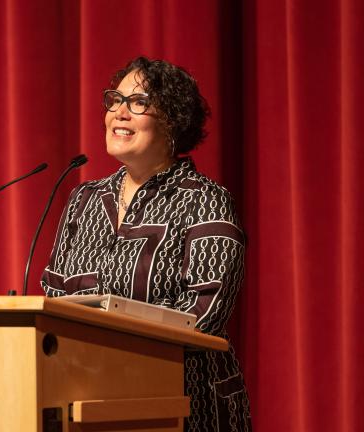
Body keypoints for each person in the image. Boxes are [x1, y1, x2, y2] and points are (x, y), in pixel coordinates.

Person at [41, 57, 252, 432]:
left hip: (186, 405)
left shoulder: (204, 200)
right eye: (114, 100)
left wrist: (118, 351)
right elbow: (54, 296)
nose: (119, 113)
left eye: (138, 103)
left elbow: (205, 315)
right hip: (88, 401)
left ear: (173, 120)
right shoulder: (84, 199)